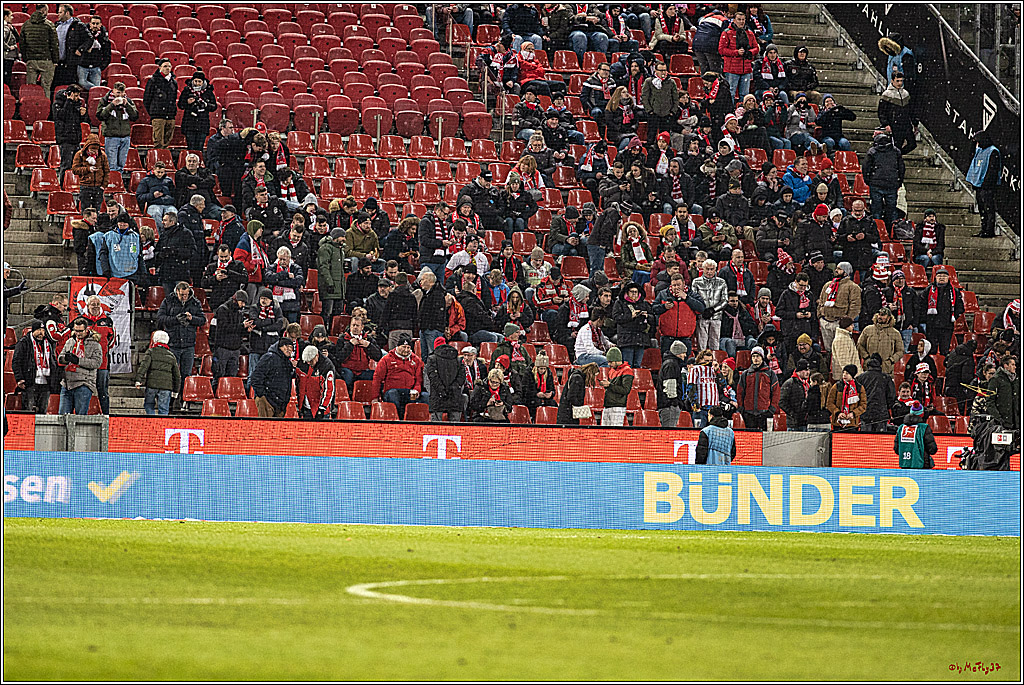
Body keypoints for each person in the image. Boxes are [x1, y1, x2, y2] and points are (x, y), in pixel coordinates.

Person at [373, 333, 427, 419]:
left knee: (425, 396)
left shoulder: (416, 360)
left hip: (409, 391)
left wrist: (416, 390)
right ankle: (399, 420)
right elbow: (377, 378)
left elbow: (419, 379)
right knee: (393, 394)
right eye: (403, 347)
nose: (406, 350)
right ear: (397, 347)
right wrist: (375, 397)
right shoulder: (387, 359)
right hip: (392, 391)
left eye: (408, 348)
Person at [12, 319, 60, 414]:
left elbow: (52, 361)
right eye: (38, 330)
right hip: (30, 381)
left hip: (45, 382)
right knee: (28, 410)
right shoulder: (24, 342)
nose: (41, 333)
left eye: (43, 330)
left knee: (43, 410)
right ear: (33, 331)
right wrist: (19, 379)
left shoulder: (48, 344)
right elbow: (16, 362)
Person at [56, 316, 102, 415]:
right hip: (67, 383)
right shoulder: (70, 341)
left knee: (80, 418)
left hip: (84, 384)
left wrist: (78, 361)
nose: (78, 333)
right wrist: (66, 359)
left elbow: (96, 363)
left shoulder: (95, 344)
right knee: (62, 416)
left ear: (86, 329)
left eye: (80, 331)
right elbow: (60, 358)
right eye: (76, 330)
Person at [861, 132, 905, 225]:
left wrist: (868, 180)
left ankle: (878, 230)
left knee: (876, 209)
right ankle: (891, 230)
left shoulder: (872, 151)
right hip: (891, 184)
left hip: (876, 184)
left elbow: (865, 167)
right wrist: (898, 181)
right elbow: (901, 168)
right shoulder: (896, 151)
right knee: (892, 209)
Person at [817, 262, 860, 352]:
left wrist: (846, 322)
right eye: (836, 268)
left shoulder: (853, 287)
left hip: (840, 323)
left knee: (841, 350)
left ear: (846, 272)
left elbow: (855, 306)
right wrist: (820, 315)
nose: (836, 271)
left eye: (839, 269)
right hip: (825, 321)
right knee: (828, 350)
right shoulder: (827, 285)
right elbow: (821, 301)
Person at [966, 131, 1002, 239]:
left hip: (987, 186)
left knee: (988, 208)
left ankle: (989, 230)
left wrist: (987, 185)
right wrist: (973, 143)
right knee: (982, 208)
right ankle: (984, 228)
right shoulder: (980, 150)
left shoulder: (993, 151)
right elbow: (971, 156)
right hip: (979, 185)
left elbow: (992, 170)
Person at [210, 290, 248, 389]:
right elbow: (224, 328)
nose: (243, 305)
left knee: (231, 377)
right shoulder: (222, 309)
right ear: (236, 300)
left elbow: (239, 331)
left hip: (235, 349)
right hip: (223, 348)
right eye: (242, 302)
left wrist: (246, 329)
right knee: (219, 375)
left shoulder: (240, 312)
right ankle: (215, 399)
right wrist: (241, 326)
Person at [96, 82, 137, 173]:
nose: (121, 95)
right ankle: (112, 184)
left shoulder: (128, 101)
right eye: (118, 93)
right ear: (113, 90)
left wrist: (127, 106)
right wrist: (111, 105)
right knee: (112, 165)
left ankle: (119, 183)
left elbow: (135, 117)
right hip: (111, 136)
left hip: (125, 136)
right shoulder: (105, 100)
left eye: (122, 93)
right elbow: (100, 116)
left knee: (121, 164)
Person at [19, 4, 59, 98]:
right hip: (46, 60)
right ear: (44, 10)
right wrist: (55, 60)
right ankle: (45, 110)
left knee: (30, 87)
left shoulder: (26, 25)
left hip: (31, 60)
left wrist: (26, 58)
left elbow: (22, 44)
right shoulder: (49, 25)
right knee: (46, 87)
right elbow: (54, 45)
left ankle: (29, 108)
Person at [922, 266, 963, 356]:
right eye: (939, 276)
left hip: (947, 326)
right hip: (932, 326)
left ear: (948, 278)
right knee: (931, 350)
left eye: (944, 276)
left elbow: (960, 307)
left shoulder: (954, 291)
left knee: (944, 351)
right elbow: (922, 305)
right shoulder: (928, 290)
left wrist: (953, 317)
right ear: (935, 277)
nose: (941, 278)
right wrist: (926, 319)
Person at [736, 346, 779, 430]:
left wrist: (771, 410)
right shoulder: (746, 374)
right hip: (748, 413)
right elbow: (740, 392)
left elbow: (776, 392)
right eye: (753, 356)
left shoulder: (770, 373)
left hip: (764, 412)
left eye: (758, 356)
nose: (755, 358)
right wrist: (741, 409)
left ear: (762, 358)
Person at [718, 10, 759, 100]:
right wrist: (736, 52)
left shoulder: (750, 33)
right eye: (739, 19)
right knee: (730, 93)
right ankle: (730, 112)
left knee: (745, 95)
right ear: (734, 20)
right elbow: (721, 50)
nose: (741, 22)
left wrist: (750, 52)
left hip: (746, 69)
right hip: (732, 69)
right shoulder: (727, 32)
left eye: (743, 20)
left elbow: (756, 48)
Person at [250, 338, 295, 418]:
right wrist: (262, 396)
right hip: (267, 400)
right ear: (279, 346)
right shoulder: (269, 357)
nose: (288, 349)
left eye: (291, 347)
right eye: (286, 346)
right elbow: (255, 377)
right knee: (265, 428)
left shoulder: (288, 363)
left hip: (280, 403)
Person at [836, 199, 879, 281]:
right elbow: (838, 237)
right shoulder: (845, 220)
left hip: (864, 257)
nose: (858, 213)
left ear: (864, 209)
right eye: (856, 210)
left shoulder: (870, 221)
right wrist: (846, 238)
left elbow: (875, 238)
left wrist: (865, 236)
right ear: (852, 208)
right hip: (849, 256)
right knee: (847, 282)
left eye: (860, 211)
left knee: (865, 282)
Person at [691, 258, 727, 352]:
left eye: (712, 269)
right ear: (703, 269)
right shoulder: (696, 282)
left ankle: (714, 364)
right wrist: (702, 311)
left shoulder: (722, 282)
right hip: (702, 316)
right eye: (707, 269)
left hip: (716, 317)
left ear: (715, 270)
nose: (709, 271)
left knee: (715, 343)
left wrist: (713, 310)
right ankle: (701, 363)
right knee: (701, 343)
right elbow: (694, 299)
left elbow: (725, 300)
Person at [425, 338, 465, 422]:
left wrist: (441, 390)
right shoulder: (457, 359)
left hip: (437, 396)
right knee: (455, 429)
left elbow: (432, 377)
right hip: (455, 396)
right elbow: (461, 377)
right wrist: (453, 388)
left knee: (436, 429)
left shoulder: (432, 359)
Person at [53, 83, 87, 180]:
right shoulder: (58, 103)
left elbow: (79, 121)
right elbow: (62, 116)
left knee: (77, 165)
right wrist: (68, 101)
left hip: (75, 139)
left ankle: (73, 184)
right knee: (66, 165)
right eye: (76, 95)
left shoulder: (77, 104)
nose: (78, 98)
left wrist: (83, 115)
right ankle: (62, 185)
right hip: (65, 139)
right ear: (70, 94)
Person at [642, 60, 680, 145]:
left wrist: (672, 111)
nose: (663, 72)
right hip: (654, 113)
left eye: (664, 70)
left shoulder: (671, 82)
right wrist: (649, 110)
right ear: (656, 71)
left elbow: (675, 98)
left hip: (666, 113)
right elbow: (645, 97)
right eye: (661, 70)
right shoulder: (649, 81)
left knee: (665, 136)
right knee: (651, 135)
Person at [177, 70, 216, 154]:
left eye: (199, 81)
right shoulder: (187, 91)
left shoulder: (208, 92)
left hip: (202, 123)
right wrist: (187, 102)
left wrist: (206, 104)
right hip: (189, 123)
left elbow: (214, 107)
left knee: (200, 147)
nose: (197, 83)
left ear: (203, 82)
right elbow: (180, 105)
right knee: (190, 147)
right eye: (195, 81)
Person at [877, 72, 915, 155]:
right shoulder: (887, 94)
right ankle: (896, 157)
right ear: (892, 81)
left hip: (905, 124)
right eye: (897, 81)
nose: (900, 83)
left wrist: (914, 124)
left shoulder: (905, 94)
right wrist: (886, 124)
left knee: (912, 144)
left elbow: (911, 111)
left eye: (901, 81)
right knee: (897, 145)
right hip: (894, 124)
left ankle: (897, 155)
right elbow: (881, 112)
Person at [143, 58, 178, 149]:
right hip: (158, 115)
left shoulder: (174, 82)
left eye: (169, 66)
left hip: (170, 115)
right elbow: (147, 99)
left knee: (168, 140)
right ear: (160, 68)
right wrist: (153, 111)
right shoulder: (153, 81)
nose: (167, 68)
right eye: (165, 66)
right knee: (158, 141)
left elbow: (174, 99)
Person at [856, 354, 896, 433]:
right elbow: (891, 396)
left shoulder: (860, 378)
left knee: (866, 440)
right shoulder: (886, 378)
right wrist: (886, 408)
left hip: (865, 413)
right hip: (881, 414)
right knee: (880, 440)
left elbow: (856, 396)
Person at [295, 343, 335, 420]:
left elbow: (329, 390)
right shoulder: (303, 363)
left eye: (311, 361)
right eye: (307, 361)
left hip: (319, 409)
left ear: (316, 356)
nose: (308, 363)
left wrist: (322, 408)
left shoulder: (327, 367)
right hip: (305, 408)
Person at [71, 14, 109, 90]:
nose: (95, 25)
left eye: (97, 24)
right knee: (83, 83)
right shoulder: (83, 34)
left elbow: (107, 53)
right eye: (93, 23)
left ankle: (98, 90)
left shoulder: (104, 37)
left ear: (100, 25)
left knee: (96, 93)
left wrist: (101, 66)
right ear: (90, 24)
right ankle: (99, 89)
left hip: (96, 67)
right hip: (83, 65)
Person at [895, 401, 937, 469]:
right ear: (922, 414)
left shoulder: (901, 428)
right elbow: (932, 449)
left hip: (904, 464)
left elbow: (896, 449)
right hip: (922, 465)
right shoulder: (924, 428)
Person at [656, 340, 688, 427]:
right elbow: (669, 386)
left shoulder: (670, 363)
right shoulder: (671, 365)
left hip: (667, 404)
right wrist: (675, 403)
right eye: (683, 353)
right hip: (669, 406)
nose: (685, 355)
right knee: (669, 431)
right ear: (678, 353)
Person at [827, 364, 868, 431]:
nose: (844, 375)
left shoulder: (859, 388)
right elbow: (830, 403)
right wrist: (838, 413)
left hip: (852, 423)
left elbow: (863, 405)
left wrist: (853, 413)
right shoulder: (836, 386)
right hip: (837, 423)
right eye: (843, 372)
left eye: (847, 373)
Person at [599, 347, 634, 426]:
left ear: (616, 360)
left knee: (615, 433)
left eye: (610, 362)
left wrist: (609, 385)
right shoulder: (612, 370)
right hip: (607, 406)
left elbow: (626, 390)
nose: (609, 364)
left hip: (618, 407)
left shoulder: (627, 370)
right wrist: (606, 385)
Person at [780, 359, 811, 431]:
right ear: (799, 371)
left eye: (808, 370)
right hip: (793, 424)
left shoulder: (807, 384)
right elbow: (782, 402)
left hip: (805, 422)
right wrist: (793, 414)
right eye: (805, 370)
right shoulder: (789, 383)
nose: (808, 372)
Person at [830, 316, 860, 381]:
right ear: (847, 326)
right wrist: (850, 374)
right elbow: (844, 360)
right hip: (846, 377)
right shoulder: (841, 339)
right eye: (851, 325)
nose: (853, 326)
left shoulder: (846, 336)